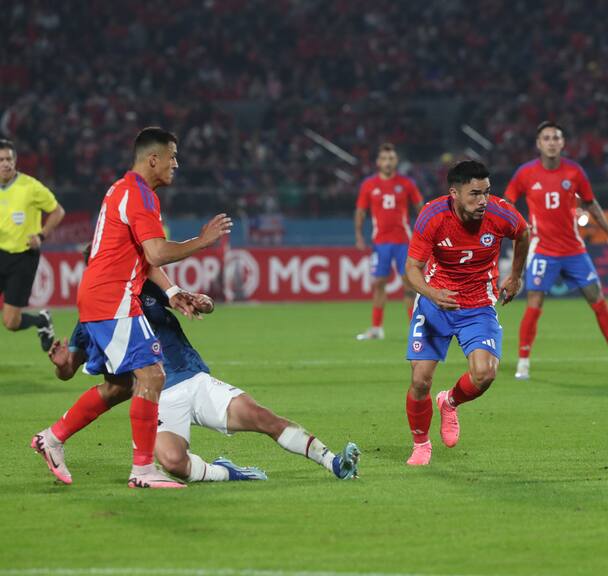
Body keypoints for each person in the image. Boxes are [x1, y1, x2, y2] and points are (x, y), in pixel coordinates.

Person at [31, 127, 232, 489]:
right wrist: (201, 242)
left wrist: (172, 293)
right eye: (172, 156)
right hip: (114, 298)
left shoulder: (124, 189)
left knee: (123, 384)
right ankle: (142, 471)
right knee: (153, 376)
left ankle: (53, 437)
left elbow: (144, 257)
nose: (176, 163)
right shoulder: (139, 196)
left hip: (102, 296)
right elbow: (155, 252)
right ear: (152, 159)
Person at [40, 268, 360, 485]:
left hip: (193, 379)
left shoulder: (147, 288)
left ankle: (333, 462)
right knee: (172, 461)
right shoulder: (91, 321)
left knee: (263, 417)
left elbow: (192, 302)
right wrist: (60, 363)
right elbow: (69, 369)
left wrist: (202, 303)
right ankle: (228, 473)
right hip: (157, 398)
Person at [403, 160, 529, 465]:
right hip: (436, 303)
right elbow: (412, 270)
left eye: (486, 192)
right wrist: (433, 294)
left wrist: (515, 275)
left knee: (485, 374)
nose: (483, 201)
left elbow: (523, 234)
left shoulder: (500, 214)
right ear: (454, 193)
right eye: (474, 193)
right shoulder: (433, 216)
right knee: (420, 380)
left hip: (478, 306)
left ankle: (450, 402)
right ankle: (421, 444)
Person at [504, 121, 608, 380]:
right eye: (546, 138)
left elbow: (591, 204)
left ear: (562, 143)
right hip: (543, 250)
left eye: (556, 137)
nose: (551, 142)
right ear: (538, 144)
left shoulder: (574, 172)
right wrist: (514, 227)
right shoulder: (525, 173)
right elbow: (507, 203)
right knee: (534, 303)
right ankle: (523, 362)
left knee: (598, 300)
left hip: (574, 251)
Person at [0, 138, 65, 351]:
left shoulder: (30, 186)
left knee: (10, 323)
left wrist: (42, 235)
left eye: (9, 159)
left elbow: (58, 211)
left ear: (15, 161)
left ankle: (41, 322)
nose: (5, 163)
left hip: (23, 257)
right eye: (0, 160)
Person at [354, 143, 424, 340]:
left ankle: (415, 328)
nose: (387, 162)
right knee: (378, 283)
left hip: (404, 241)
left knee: (410, 285)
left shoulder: (407, 183)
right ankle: (376, 328)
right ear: (378, 162)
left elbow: (421, 208)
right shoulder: (369, 185)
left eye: (391, 158)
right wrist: (359, 235)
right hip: (380, 242)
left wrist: (427, 233)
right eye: (384, 159)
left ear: (396, 161)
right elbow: (360, 211)